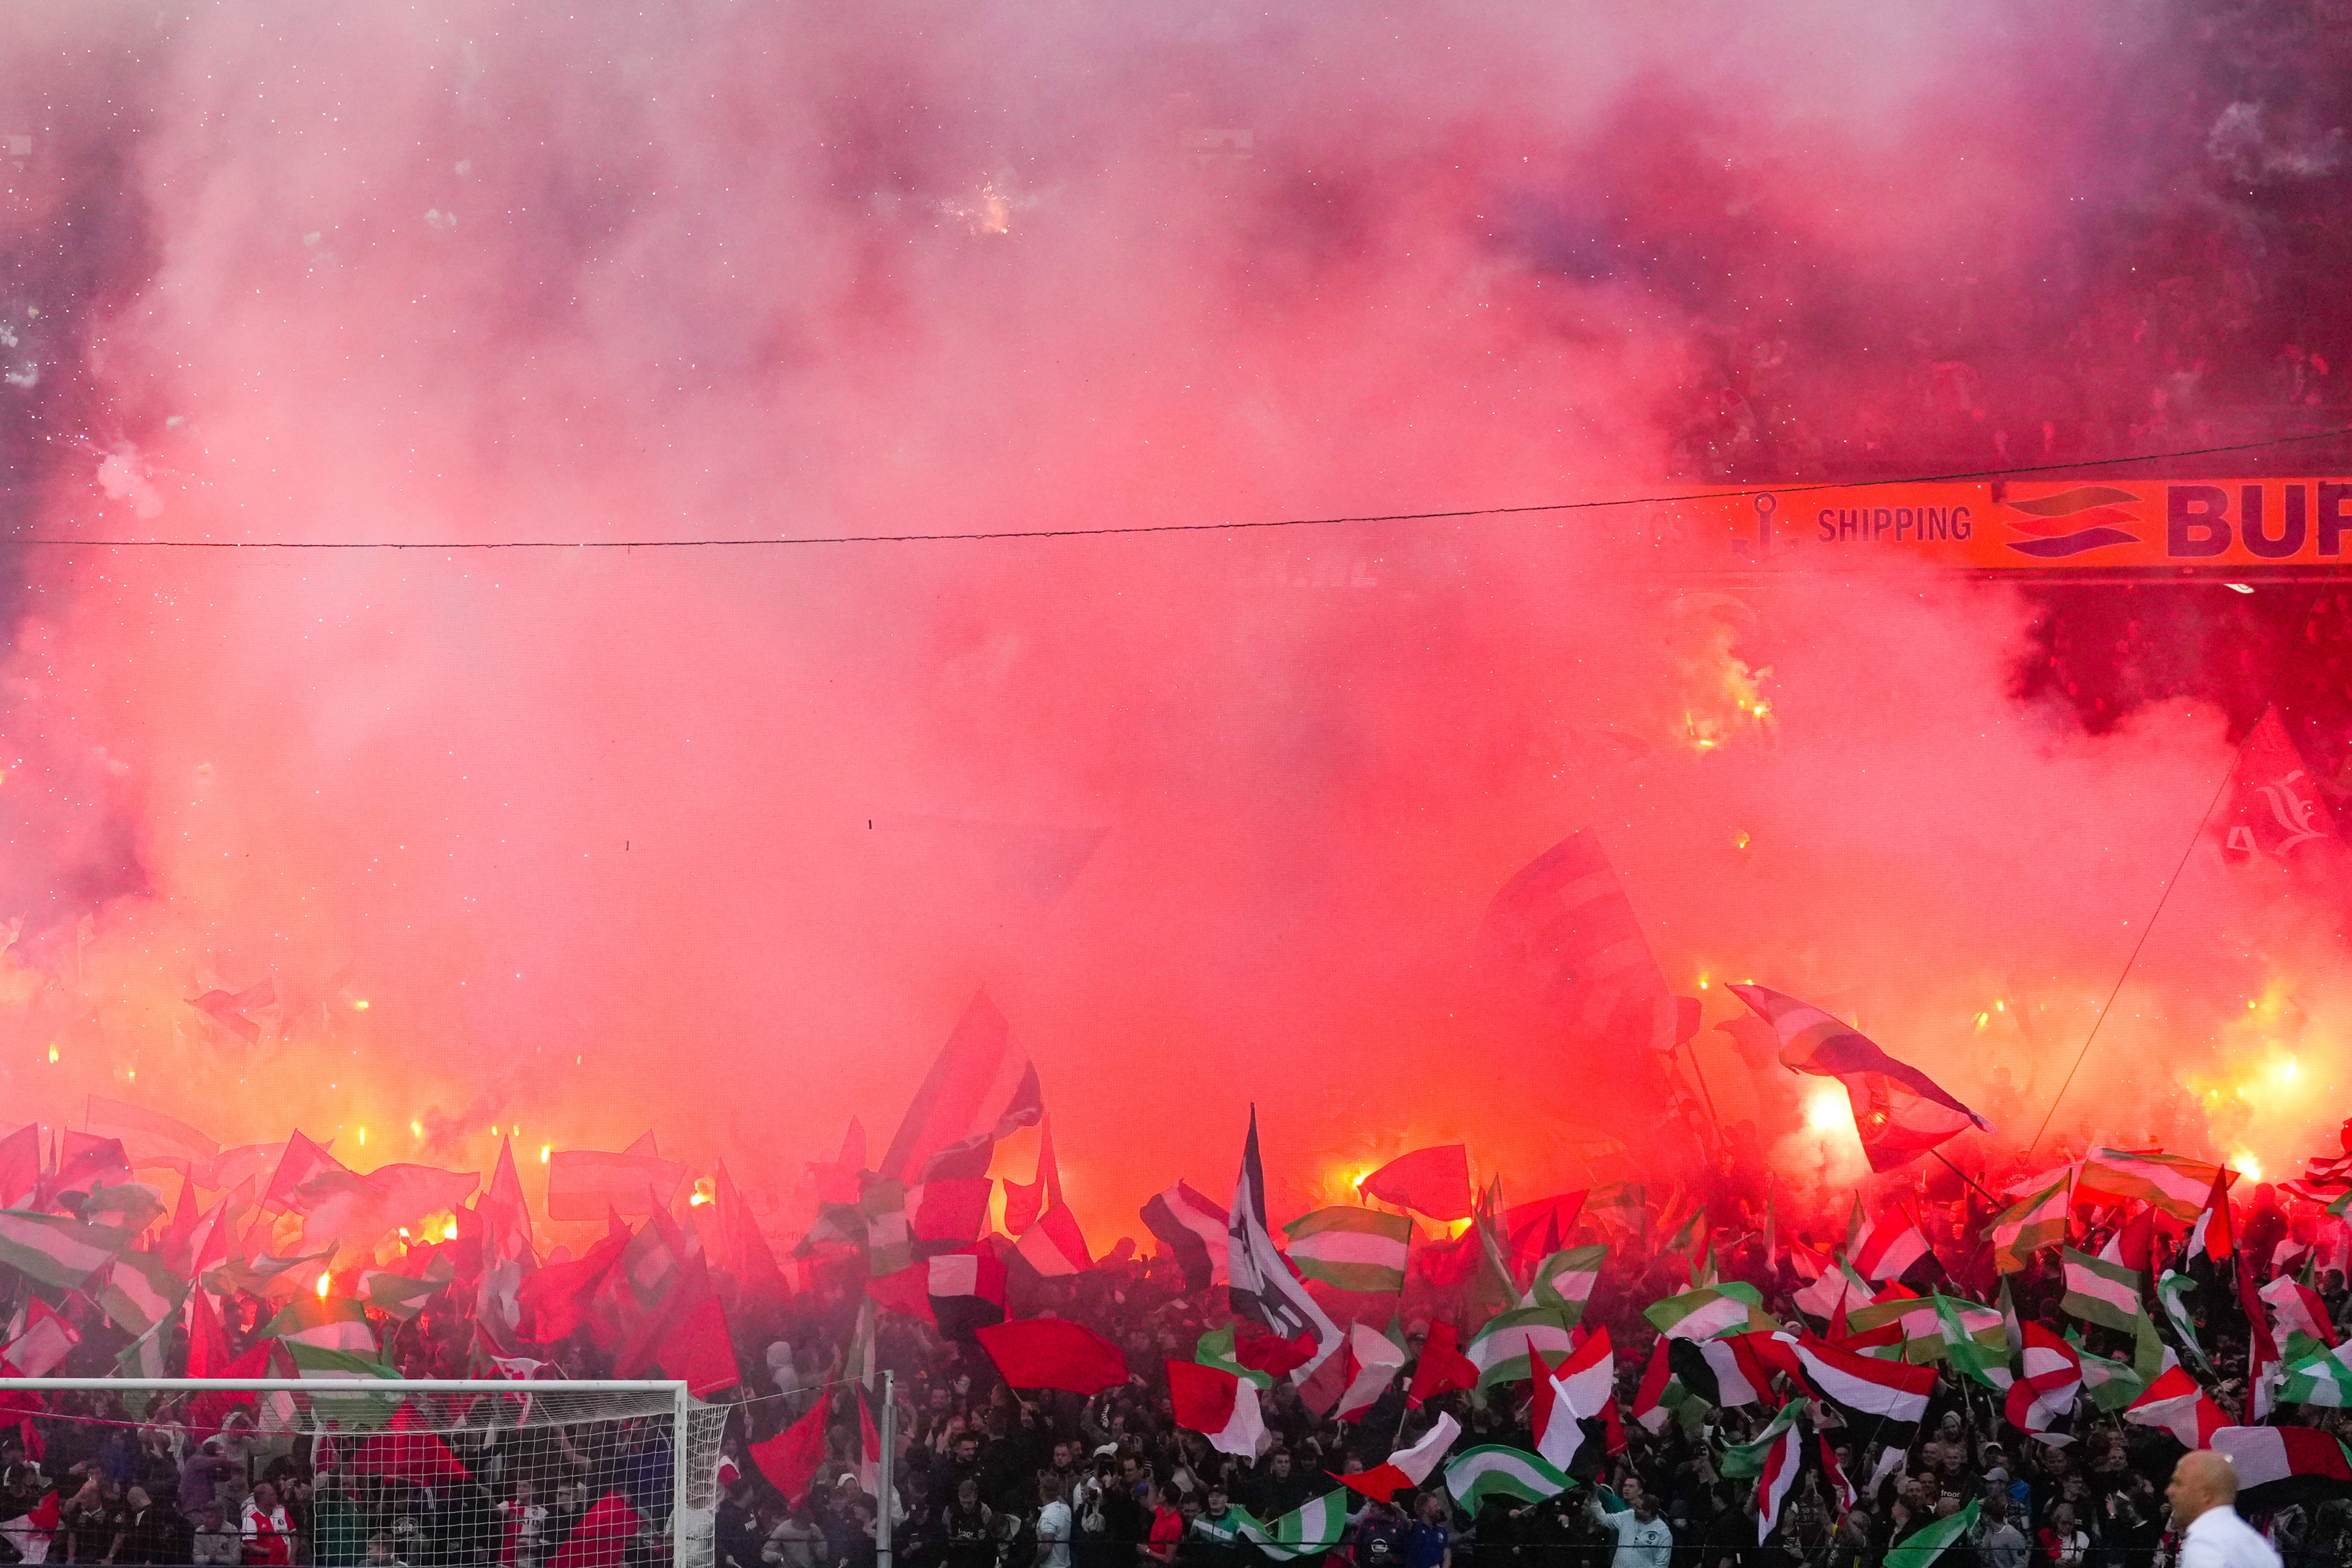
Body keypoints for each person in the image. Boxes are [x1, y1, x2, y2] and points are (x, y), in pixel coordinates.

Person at [2168, 1450, 2283, 1568]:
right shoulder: (2258, 1545)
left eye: (2178, 1483)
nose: (2169, 1491)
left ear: (2206, 1495)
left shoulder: (2206, 1544)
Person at [1588, 1482, 1673, 1568]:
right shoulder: (1628, 1515)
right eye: (1635, 1506)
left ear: (1649, 1511)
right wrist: (1595, 1500)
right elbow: (1604, 1520)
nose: (1634, 1509)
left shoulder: (1663, 1532)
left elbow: (1661, 1564)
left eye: (1638, 1508)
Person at [1038, 1475, 1075, 1568]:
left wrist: (1034, 1564)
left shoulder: (1047, 1516)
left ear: (1042, 1492)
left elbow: (1047, 1547)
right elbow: (1063, 1502)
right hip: (1066, 1564)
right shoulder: (1066, 1510)